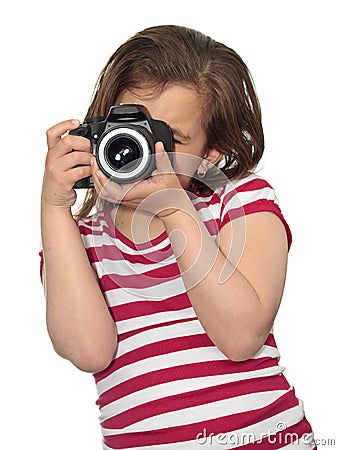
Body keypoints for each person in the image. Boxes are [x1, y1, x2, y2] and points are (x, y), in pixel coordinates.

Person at [40, 25, 316, 449]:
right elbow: (88, 351)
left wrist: (174, 209)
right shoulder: (79, 241)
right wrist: (55, 207)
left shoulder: (238, 203)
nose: (145, 151)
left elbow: (241, 337)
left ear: (211, 153)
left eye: (169, 138)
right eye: (131, 128)